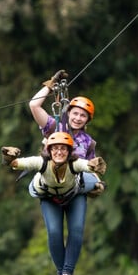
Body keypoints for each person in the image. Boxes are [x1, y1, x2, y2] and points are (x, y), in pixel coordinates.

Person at [1, 132, 107, 275]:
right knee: (55, 232)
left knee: (77, 230)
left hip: (73, 195)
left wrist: (95, 166)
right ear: (49, 151)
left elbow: (88, 166)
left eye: (63, 149)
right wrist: (8, 157)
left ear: (69, 151)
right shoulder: (41, 162)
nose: (59, 152)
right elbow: (16, 163)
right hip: (49, 197)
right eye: (55, 149)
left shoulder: (74, 164)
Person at [28, 69, 105, 197]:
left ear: (87, 120)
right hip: (51, 183)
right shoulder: (55, 126)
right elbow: (34, 105)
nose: (78, 118)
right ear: (68, 113)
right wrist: (51, 85)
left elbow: (91, 167)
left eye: (83, 116)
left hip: (73, 187)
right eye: (75, 113)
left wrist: (98, 183)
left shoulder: (88, 142)